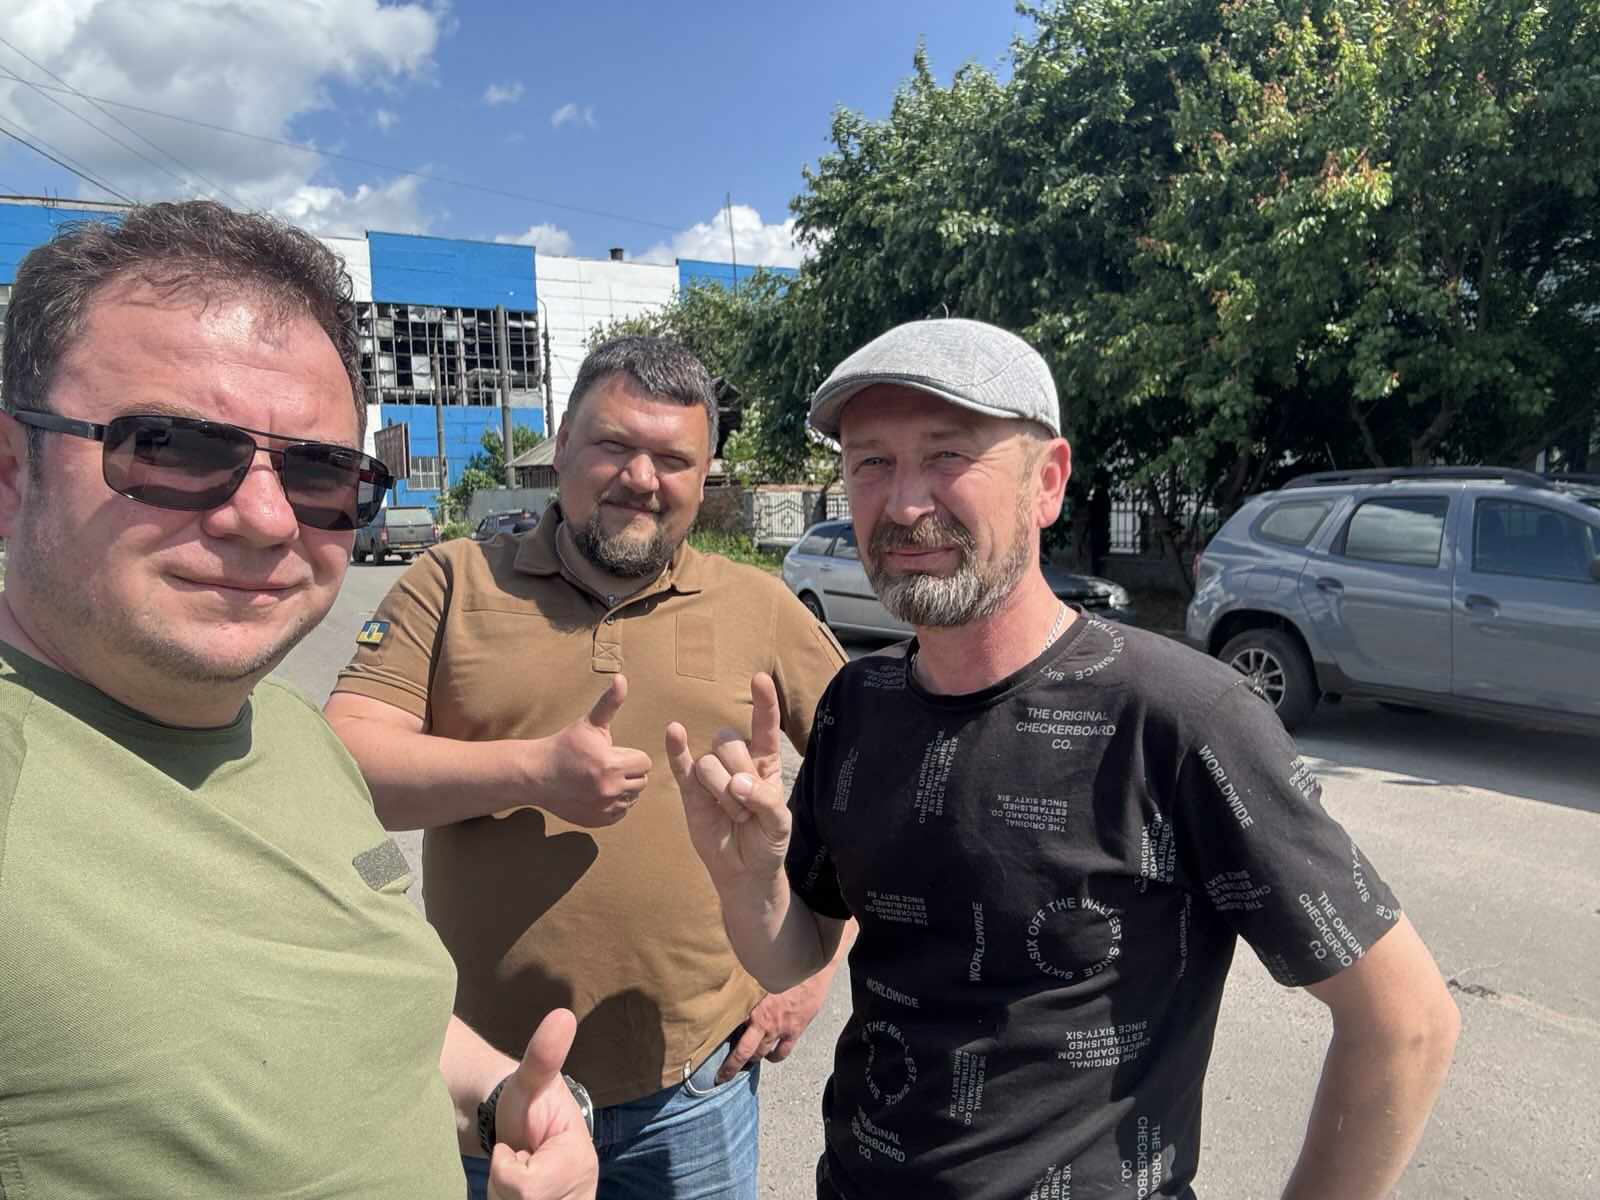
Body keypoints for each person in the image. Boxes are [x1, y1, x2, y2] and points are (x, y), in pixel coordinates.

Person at [668, 318, 1460, 1200]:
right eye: (871, 463)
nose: (903, 503)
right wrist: (747, 883)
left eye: (946, 455)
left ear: (1046, 483)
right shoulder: (859, 703)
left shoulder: (1182, 718)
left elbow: (1406, 1023)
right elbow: (796, 956)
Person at [0, 201, 596, 1200]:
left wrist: (501, 1098)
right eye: (174, 448)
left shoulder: (289, 730)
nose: (268, 519)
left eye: (321, 473)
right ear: (11, 472)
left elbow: (361, 1002)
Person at [325, 335, 850, 1200]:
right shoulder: (452, 581)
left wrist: (817, 968)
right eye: (614, 445)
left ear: (705, 475)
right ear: (562, 445)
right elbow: (344, 762)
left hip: (693, 1089)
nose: (642, 478)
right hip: (492, 1092)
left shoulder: (756, 605)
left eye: (673, 459)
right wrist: (531, 772)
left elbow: (873, 786)